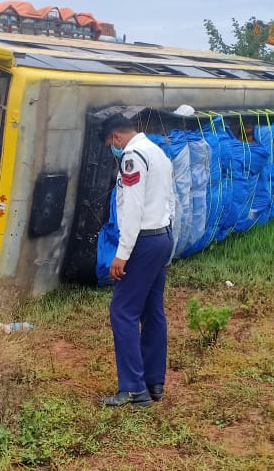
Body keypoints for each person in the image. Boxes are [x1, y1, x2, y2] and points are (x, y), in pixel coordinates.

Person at [98, 115, 176, 408]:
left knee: (123, 310)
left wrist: (122, 252)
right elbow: (171, 200)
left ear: (116, 137)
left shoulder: (132, 157)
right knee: (153, 310)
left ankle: (133, 388)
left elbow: (132, 207)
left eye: (110, 145)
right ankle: (154, 382)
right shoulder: (157, 152)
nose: (113, 150)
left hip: (142, 241)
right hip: (162, 236)